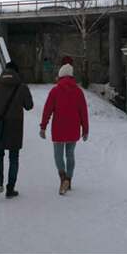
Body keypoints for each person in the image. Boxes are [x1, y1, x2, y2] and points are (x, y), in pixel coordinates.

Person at [0, 61, 33, 198]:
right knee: (14, 158)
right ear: (16, 72)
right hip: (15, 128)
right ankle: (10, 189)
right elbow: (29, 106)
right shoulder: (21, 87)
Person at [40, 62, 89, 195]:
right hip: (73, 128)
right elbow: (83, 112)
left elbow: (47, 110)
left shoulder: (55, 90)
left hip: (58, 128)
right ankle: (69, 179)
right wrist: (85, 130)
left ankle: (63, 178)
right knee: (70, 155)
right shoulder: (79, 91)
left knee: (58, 155)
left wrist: (43, 127)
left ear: (60, 75)